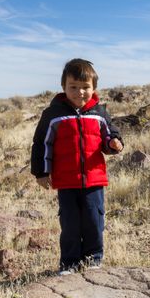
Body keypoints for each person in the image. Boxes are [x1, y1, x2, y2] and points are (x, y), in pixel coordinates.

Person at [30, 59, 123, 274]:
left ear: (94, 88)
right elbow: (41, 143)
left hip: (94, 179)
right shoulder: (53, 114)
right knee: (70, 223)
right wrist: (41, 172)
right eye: (73, 87)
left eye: (85, 87)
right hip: (66, 180)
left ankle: (93, 260)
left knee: (94, 219)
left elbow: (111, 136)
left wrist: (114, 144)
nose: (79, 92)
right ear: (63, 87)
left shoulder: (99, 113)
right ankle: (69, 263)